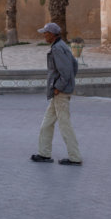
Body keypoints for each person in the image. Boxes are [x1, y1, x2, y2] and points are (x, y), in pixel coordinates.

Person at [30, 22, 82, 166]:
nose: (44, 35)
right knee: (47, 123)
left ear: (52, 34)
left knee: (65, 125)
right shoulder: (62, 45)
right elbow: (74, 65)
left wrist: (59, 87)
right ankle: (44, 154)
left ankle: (75, 157)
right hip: (59, 92)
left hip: (60, 93)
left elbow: (65, 71)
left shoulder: (58, 49)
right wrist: (68, 82)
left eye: (46, 33)